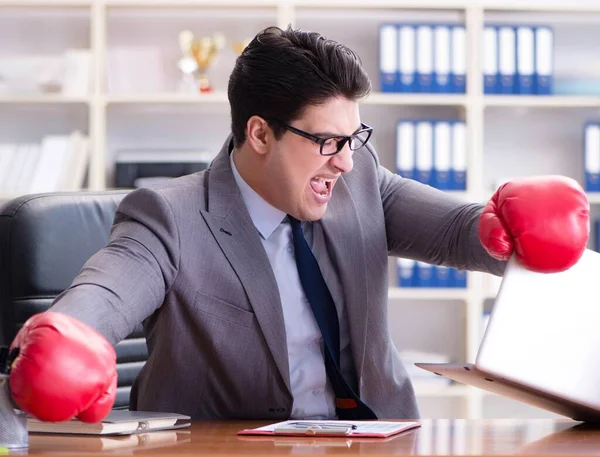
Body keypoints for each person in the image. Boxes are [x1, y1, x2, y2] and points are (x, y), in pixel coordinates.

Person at [8, 26, 589, 423]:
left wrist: (507, 226)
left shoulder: (360, 183)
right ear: (260, 134)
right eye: (328, 141)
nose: (346, 160)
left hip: (379, 445)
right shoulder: (170, 214)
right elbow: (107, 291)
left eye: (353, 138)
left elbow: (460, 231)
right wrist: (69, 336)